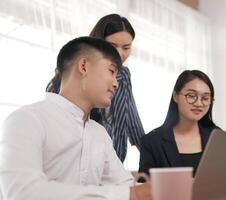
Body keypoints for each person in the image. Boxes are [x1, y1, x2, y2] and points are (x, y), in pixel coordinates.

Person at [0, 37, 151, 200]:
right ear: (84, 66)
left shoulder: (99, 133)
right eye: (112, 71)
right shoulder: (26, 120)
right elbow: (23, 193)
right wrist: (130, 194)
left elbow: (124, 185)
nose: (116, 83)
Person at [138, 70, 226, 191]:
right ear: (175, 96)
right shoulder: (152, 141)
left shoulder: (216, 135)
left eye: (205, 98)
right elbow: (142, 189)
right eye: (191, 96)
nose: (199, 103)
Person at [46, 14, 144, 163]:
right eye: (112, 47)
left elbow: (132, 121)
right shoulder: (72, 73)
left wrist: (153, 156)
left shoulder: (123, 75)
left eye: (126, 48)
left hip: (113, 161)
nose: (119, 54)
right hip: (76, 161)